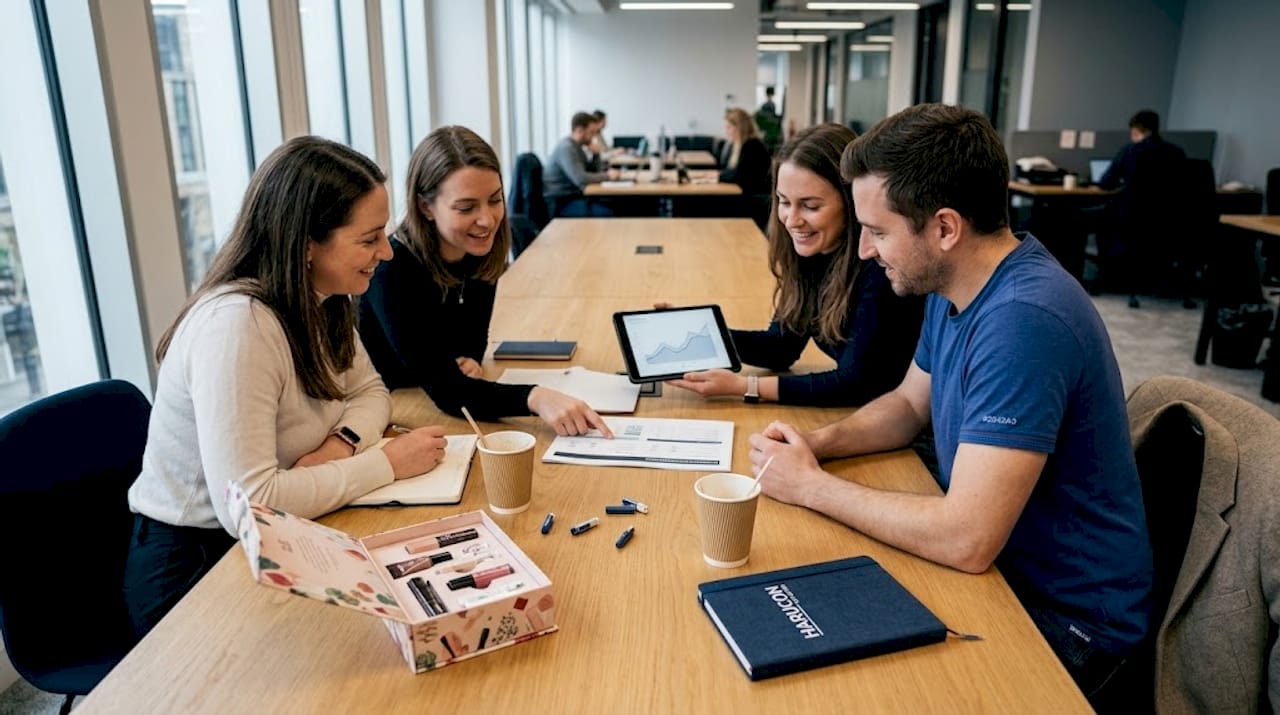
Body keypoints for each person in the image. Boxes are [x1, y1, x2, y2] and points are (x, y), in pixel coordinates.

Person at [747, 104, 1153, 712]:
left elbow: (966, 538)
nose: (864, 251)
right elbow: (909, 405)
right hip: (1001, 573)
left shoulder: (1022, 322)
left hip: (1066, 625)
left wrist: (810, 487)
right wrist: (816, 447)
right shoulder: (957, 282)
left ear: (944, 228)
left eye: (878, 231)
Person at [123, 136, 448, 639]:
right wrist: (385, 463)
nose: (386, 252)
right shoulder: (238, 327)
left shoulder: (322, 296)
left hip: (287, 526)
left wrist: (339, 446)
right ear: (306, 244)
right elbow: (250, 507)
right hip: (194, 565)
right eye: (368, 239)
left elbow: (371, 392)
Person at [359, 125, 612, 438]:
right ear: (426, 207)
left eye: (495, 200)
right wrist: (535, 397)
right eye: (466, 207)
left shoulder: (478, 249)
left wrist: (466, 365)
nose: (487, 219)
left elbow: (472, 347)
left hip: (434, 403)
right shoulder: (392, 268)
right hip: (392, 412)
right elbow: (447, 390)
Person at [668, 123, 924, 407]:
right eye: (783, 202)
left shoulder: (879, 267)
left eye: (810, 206)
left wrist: (746, 386)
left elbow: (857, 383)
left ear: (853, 201)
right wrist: (700, 333)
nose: (791, 220)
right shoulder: (812, 255)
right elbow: (780, 348)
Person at [1096, 109, 1188, 308]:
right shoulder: (1177, 153)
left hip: (1132, 219)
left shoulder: (1131, 151)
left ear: (1137, 129)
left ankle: (1106, 277)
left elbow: (1106, 182)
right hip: (1167, 222)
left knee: (1102, 224)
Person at [543, 111, 619, 217]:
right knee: (607, 212)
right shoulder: (567, 148)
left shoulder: (577, 147)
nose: (593, 137)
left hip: (573, 196)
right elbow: (580, 179)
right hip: (561, 203)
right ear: (579, 130)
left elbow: (592, 171)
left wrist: (596, 154)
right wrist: (608, 176)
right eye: (591, 132)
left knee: (614, 203)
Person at [717, 107, 772, 196]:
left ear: (740, 127)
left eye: (729, 127)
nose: (726, 132)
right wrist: (718, 175)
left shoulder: (753, 145)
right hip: (744, 192)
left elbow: (739, 175)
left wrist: (718, 176)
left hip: (755, 196)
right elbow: (729, 170)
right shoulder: (737, 145)